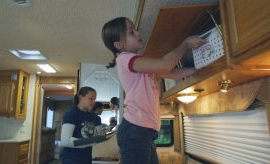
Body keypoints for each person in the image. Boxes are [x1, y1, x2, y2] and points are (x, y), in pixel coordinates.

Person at [102, 17, 204, 164]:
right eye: (131, 32)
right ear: (119, 44)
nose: (137, 33)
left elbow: (171, 72)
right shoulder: (125, 59)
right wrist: (185, 44)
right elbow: (165, 65)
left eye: (135, 30)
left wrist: (198, 69)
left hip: (142, 131)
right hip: (135, 130)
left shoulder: (138, 62)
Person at [60, 86, 104, 164]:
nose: (93, 102)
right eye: (91, 98)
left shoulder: (94, 117)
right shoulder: (71, 113)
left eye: (94, 99)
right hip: (71, 159)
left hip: (87, 158)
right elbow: (65, 141)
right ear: (81, 98)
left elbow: (99, 137)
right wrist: (90, 141)